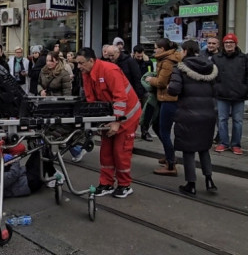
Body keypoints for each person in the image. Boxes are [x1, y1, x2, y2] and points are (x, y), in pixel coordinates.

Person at [76, 47, 142, 198]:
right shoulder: (87, 73)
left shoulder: (110, 70)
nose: (78, 67)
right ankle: (106, 183)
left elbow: (120, 97)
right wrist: (98, 122)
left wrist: (117, 121)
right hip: (111, 116)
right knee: (106, 152)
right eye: (77, 63)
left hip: (127, 115)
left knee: (121, 151)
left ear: (91, 61)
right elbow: (91, 99)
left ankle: (125, 185)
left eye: (81, 63)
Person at [167, 40, 219, 196]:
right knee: (204, 148)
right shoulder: (211, 68)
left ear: (185, 51)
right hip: (208, 114)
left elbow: (174, 90)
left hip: (188, 113)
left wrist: (169, 86)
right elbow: (216, 90)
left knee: (189, 150)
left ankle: (191, 184)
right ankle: (209, 180)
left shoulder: (180, 69)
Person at [212, 33, 248, 156]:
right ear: (223, 45)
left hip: (239, 95)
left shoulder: (244, 58)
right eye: (226, 43)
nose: (229, 45)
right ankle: (223, 143)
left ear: (236, 44)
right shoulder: (217, 58)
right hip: (222, 94)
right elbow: (212, 75)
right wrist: (216, 87)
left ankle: (236, 144)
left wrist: (246, 88)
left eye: (231, 43)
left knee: (238, 121)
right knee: (222, 120)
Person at [146, 38, 181, 176]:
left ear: (162, 48)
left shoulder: (167, 61)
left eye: (156, 47)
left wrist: (150, 79)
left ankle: (171, 164)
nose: (154, 50)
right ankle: (169, 154)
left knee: (164, 130)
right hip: (164, 98)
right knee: (156, 125)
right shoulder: (165, 59)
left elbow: (161, 82)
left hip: (169, 99)